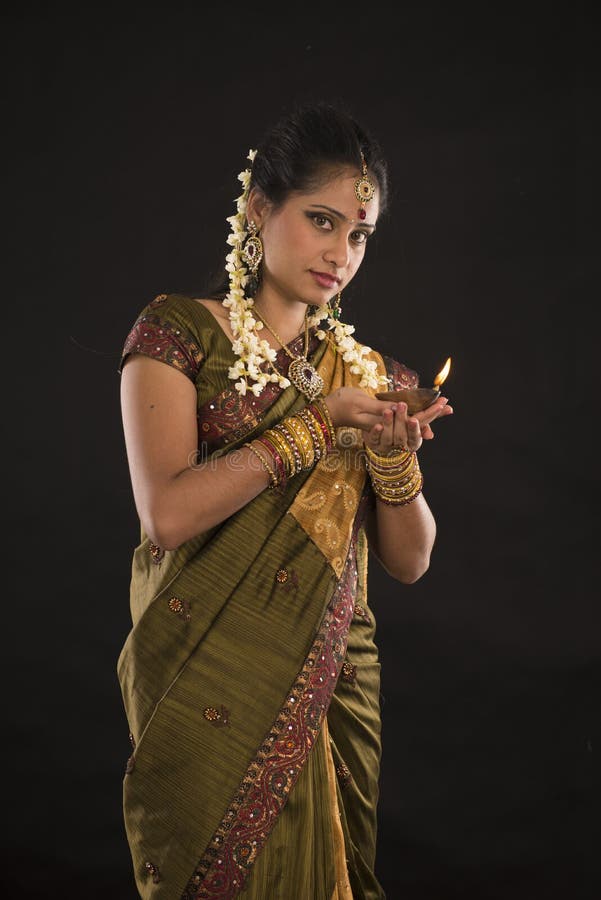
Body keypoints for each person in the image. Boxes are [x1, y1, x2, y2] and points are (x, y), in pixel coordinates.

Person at [116, 100, 453, 900]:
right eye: (322, 220)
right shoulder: (178, 336)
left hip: (332, 682)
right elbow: (166, 515)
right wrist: (313, 428)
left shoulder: (371, 379)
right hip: (211, 678)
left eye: (359, 234)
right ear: (259, 209)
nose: (340, 252)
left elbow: (408, 561)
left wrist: (392, 466)